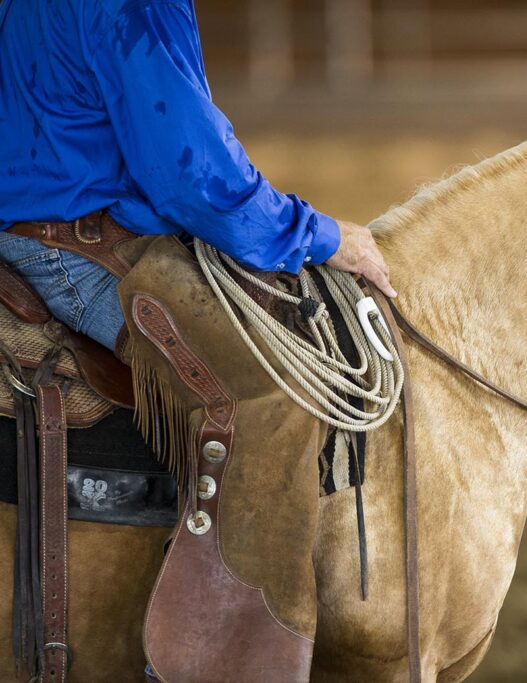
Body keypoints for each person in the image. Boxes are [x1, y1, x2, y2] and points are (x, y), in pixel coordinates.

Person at [0, 1, 396, 679]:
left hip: (27, 226)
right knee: (276, 392)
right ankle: (215, 662)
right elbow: (191, 174)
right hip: (81, 248)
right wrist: (323, 234)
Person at [0, 0, 397, 354]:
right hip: (74, 254)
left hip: (20, 234)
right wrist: (314, 235)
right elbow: (192, 176)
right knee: (275, 377)